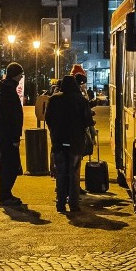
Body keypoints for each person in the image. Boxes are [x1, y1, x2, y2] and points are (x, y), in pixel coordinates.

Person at [45, 74, 95, 213]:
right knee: (74, 173)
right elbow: (88, 121)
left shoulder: (54, 99)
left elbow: (48, 118)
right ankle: (73, 204)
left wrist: (55, 131)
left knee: (61, 173)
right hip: (75, 142)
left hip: (59, 141)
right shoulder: (81, 100)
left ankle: (60, 204)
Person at [0, 62, 25, 207]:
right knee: (10, 165)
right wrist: (14, 137)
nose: (21, 77)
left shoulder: (5, 88)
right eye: (20, 74)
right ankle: (5, 195)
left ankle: (5, 194)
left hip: (4, 134)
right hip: (8, 135)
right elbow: (11, 117)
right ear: (15, 75)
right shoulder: (8, 91)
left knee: (9, 164)